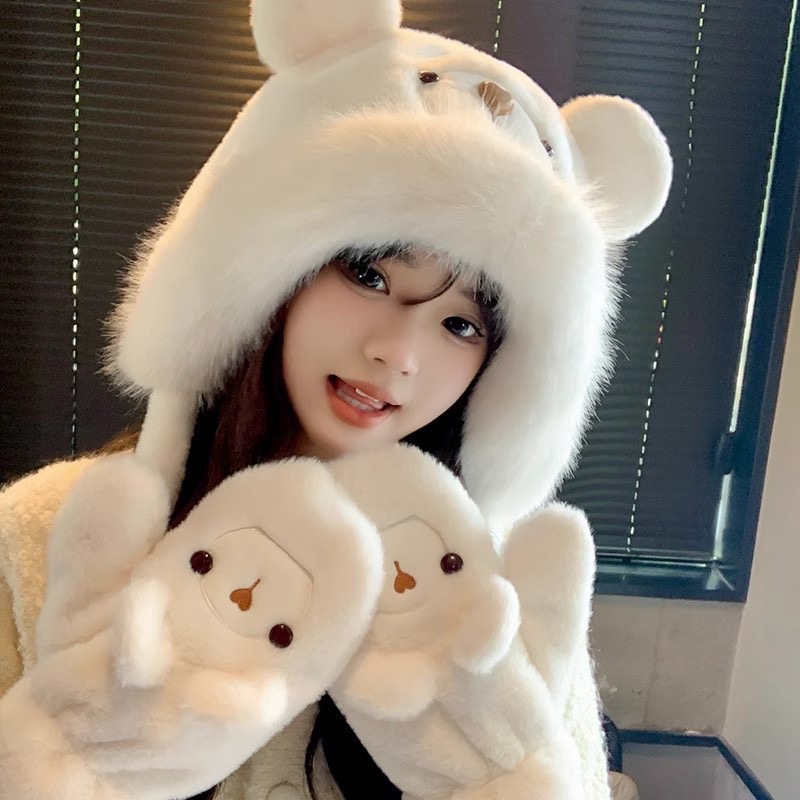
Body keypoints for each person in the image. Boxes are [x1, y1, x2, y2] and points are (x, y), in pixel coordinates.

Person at [0, 1, 672, 799]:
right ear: (266, 268)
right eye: (369, 275)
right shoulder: (47, 537)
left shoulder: (498, 605)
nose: (399, 354)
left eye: (461, 324)